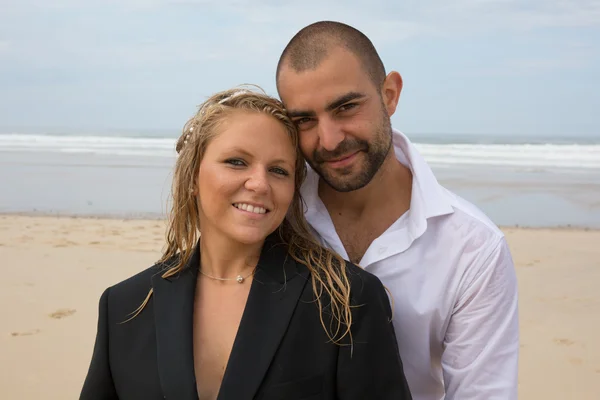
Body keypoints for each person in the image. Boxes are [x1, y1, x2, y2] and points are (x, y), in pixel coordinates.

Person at [79, 87, 413, 400]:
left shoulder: (344, 300)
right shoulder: (123, 307)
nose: (259, 184)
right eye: (236, 162)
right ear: (194, 174)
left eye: (279, 170)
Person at [275, 21, 519, 400]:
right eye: (304, 119)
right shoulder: (275, 216)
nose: (329, 139)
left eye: (346, 107)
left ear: (389, 94)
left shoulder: (473, 249)